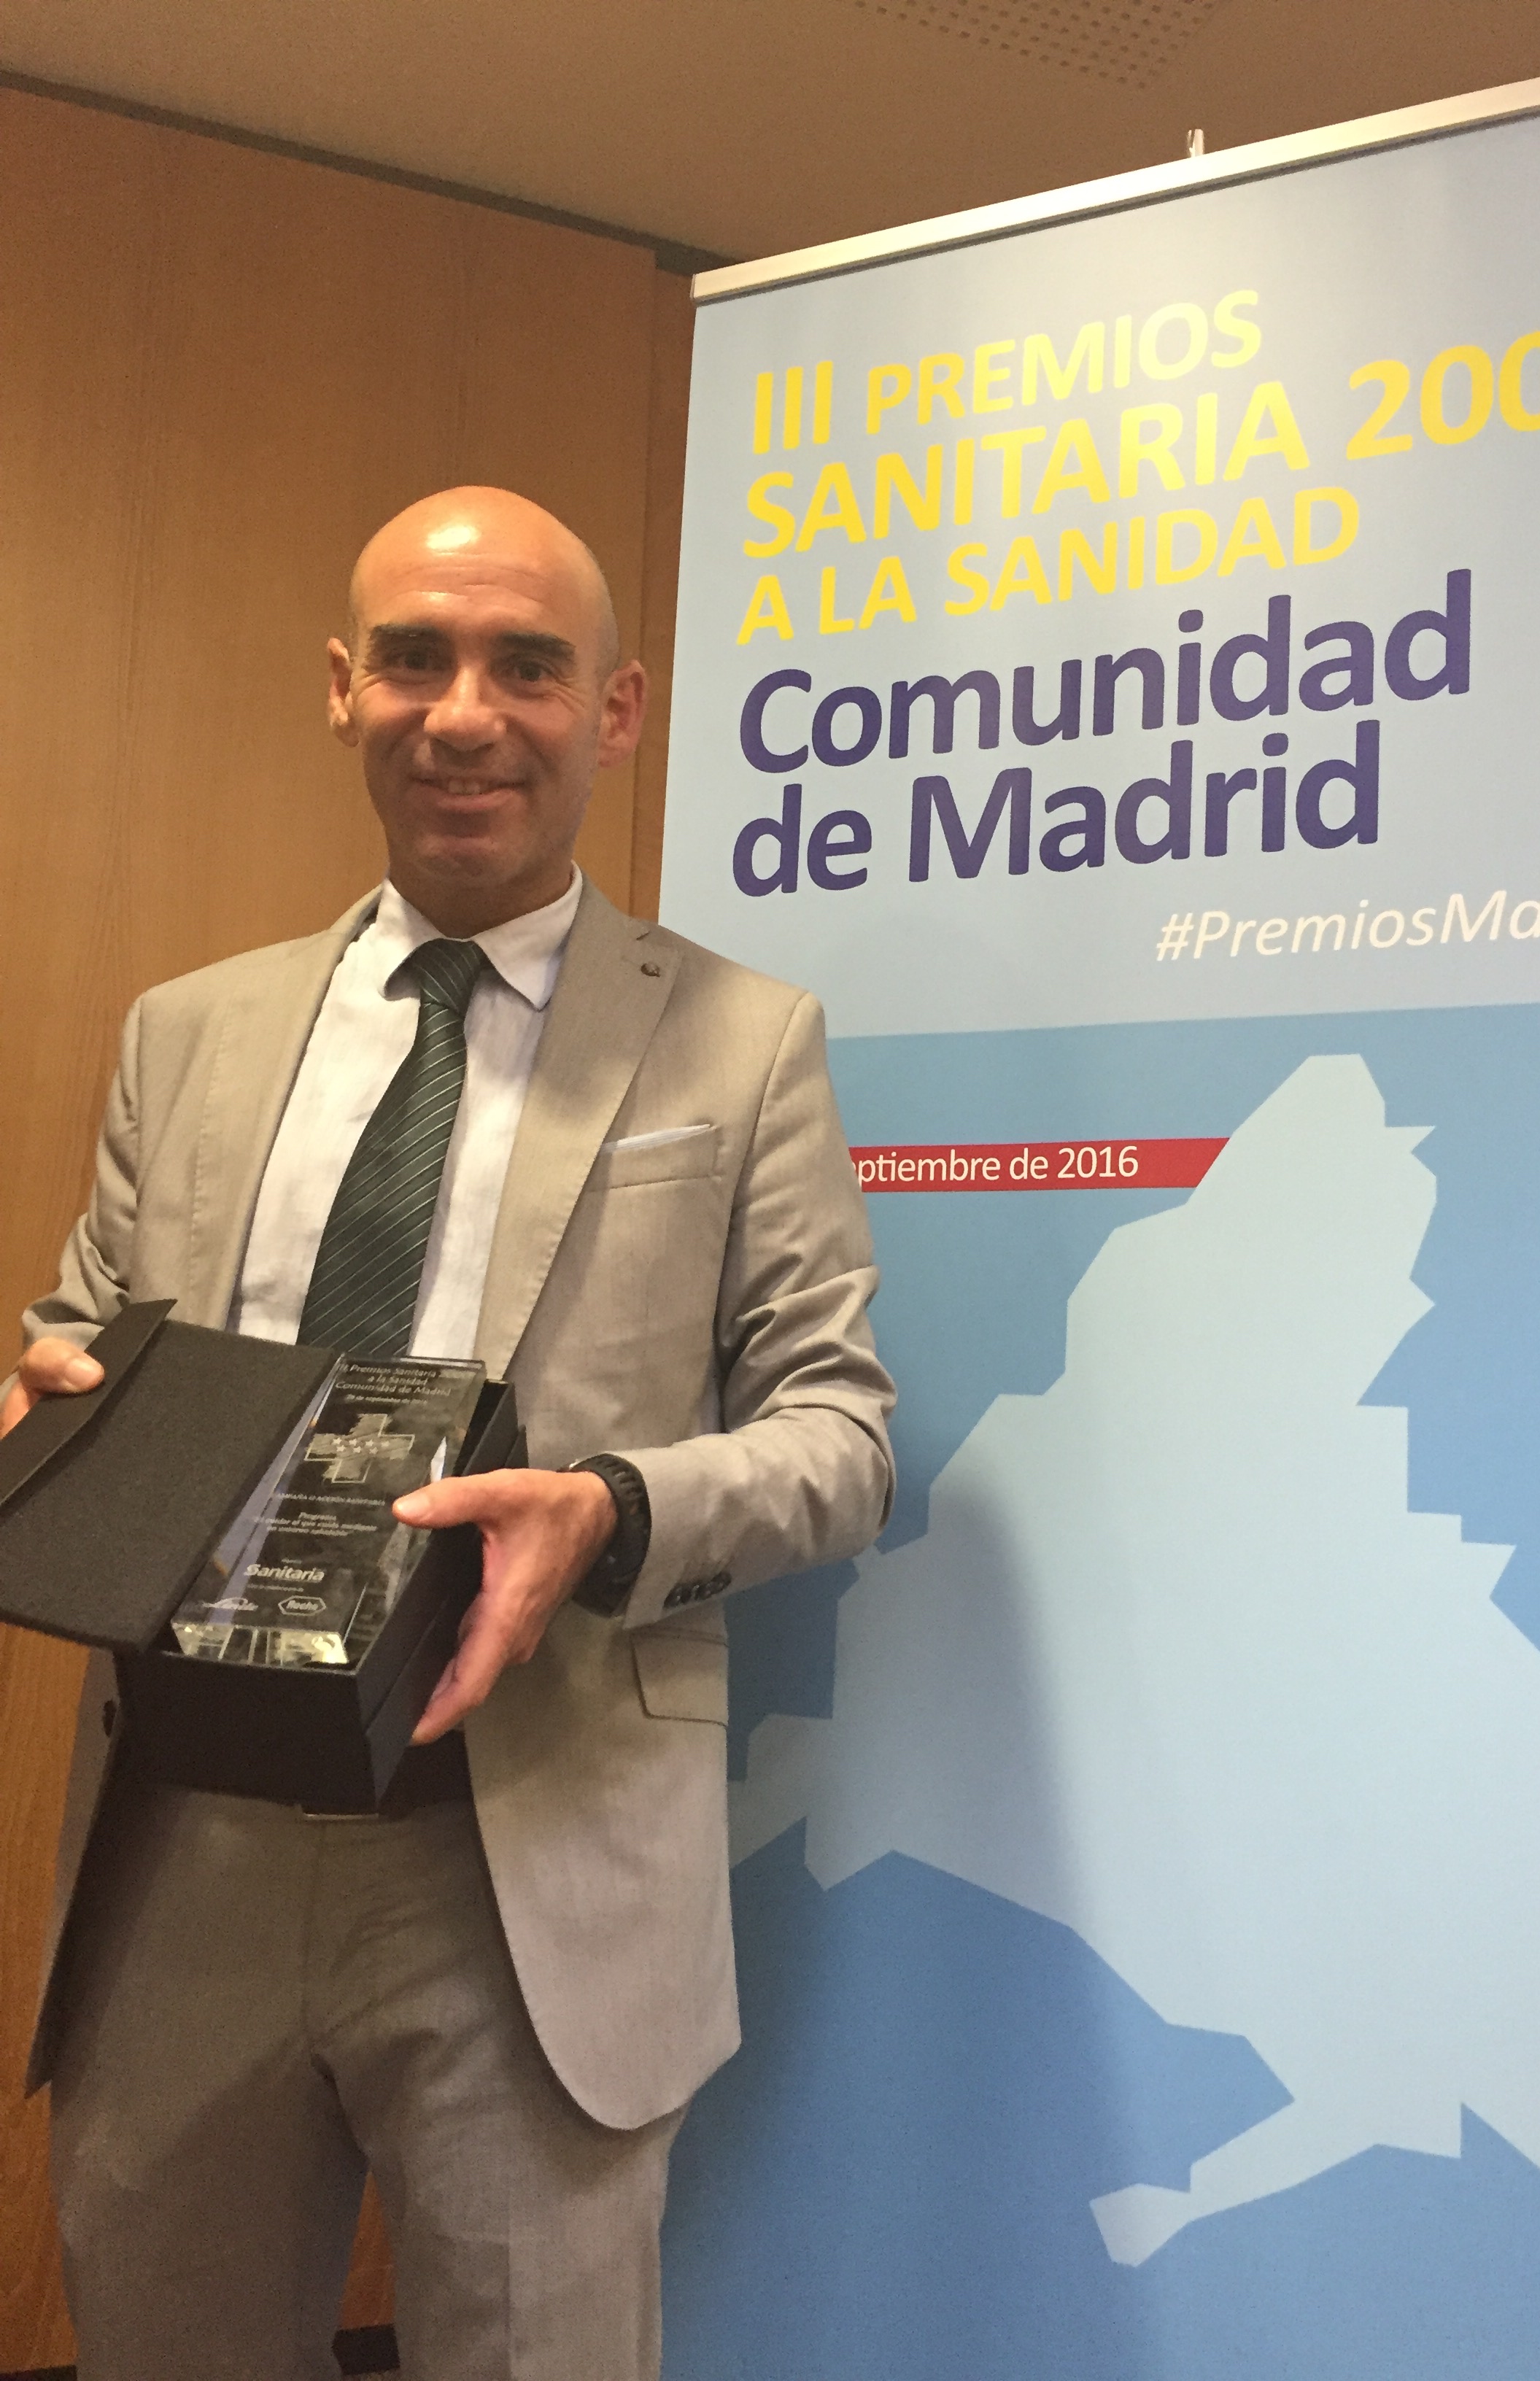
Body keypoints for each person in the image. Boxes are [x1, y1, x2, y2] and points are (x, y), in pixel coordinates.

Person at [1, 486, 896, 2381]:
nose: (464, 715)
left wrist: (608, 1508)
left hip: (534, 1866)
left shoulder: (745, 1043)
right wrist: (42, 1407)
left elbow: (842, 1436)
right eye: (414, 659)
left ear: (617, 709)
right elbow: (88, 1344)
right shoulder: (187, 1032)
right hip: (186, 1857)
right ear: (344, 687)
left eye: (526, 667)